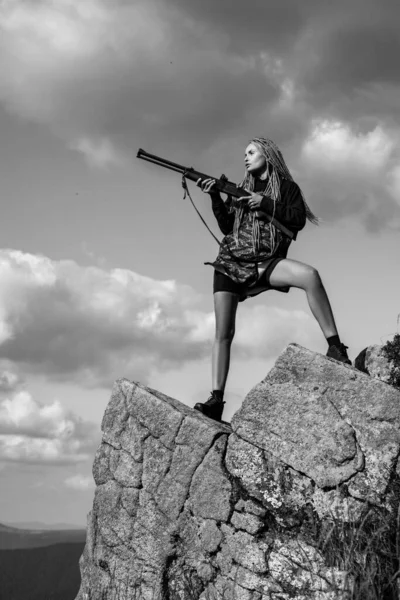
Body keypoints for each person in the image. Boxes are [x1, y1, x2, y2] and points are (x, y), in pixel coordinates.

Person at [193, 137, 351, 422]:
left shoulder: (288, 189)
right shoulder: (240, 189)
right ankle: (216, 400)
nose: (245, 157)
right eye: (244, 153)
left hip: (267, 261)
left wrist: (263, 202)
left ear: (268, 155)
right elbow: (228, 226)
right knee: (223, 334)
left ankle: (336, 347)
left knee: (310, 276)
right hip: (230, 263)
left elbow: (297, 219)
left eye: (251, 152)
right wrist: (215, 195)